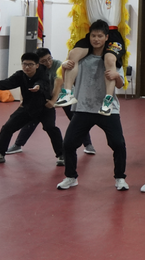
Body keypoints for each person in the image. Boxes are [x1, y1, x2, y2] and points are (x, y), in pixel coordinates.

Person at [56, 21, 128, 191]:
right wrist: (64, 67)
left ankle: (120, 178)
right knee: (68, 144)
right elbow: (70, 77)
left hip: (108, 110)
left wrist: (117, 76)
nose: (96, 39)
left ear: (106, 38)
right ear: (89, 37)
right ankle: (71, 177)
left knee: (118, 144)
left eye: (100, 36)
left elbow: (120, 85)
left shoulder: (113, 59)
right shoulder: (81, 58)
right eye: (93, 36)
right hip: (83, 107)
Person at [56, 0, 127, 114]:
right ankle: (67, 92)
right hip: (94, 33)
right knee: (73, 55)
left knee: (109, 59)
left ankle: (108, 100)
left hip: (112, 34)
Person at [7, 48, 95, 155]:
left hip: (64, 94)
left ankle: (88, 144)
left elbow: (58, 85)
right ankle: (18, 144)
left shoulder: (58, 65)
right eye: (43, 61)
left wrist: (53, 101)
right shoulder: (36, 69)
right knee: (32, 119)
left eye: (49, 59)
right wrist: (23, 100)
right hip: (46, 95)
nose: (48, 63)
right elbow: (26, 84)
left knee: (76, 119)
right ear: (38, 63)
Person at [0, 53, 64, 166]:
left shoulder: (43, 73)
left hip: (45, 108)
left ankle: (62, 155)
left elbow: (42, 82)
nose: (27, 67)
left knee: (50, 128)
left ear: (37, 65)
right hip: (28, 108)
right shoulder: (20, 75)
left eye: (30, 64)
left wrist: (37, 87)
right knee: (7, 128)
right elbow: (9, 82)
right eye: (24, 64)